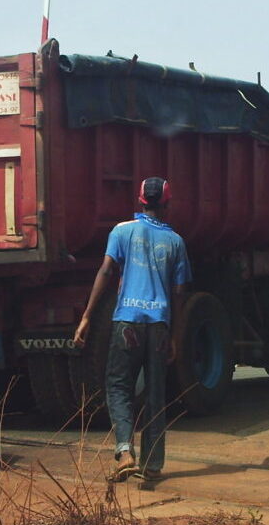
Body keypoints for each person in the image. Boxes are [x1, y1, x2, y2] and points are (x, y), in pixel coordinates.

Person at [74, 177, 191, 483]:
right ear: (166, 204)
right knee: (155, 393)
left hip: (127, 321)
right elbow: (179, 294)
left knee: (118, 386)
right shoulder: (176, 242)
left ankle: (125, 452)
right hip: (159, 326)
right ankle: (152, 465)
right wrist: (175, 335)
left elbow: (105, 271)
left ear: (140, 200)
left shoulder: (121, 231)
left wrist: (87, 316)